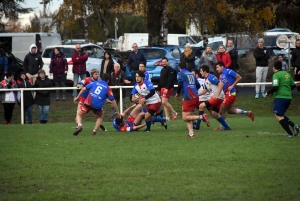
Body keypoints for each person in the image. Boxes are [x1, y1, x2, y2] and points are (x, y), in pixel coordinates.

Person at [215, 62, 254, 130]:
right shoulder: (220, 76)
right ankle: (247, 112)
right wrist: (217, 94)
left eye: (217, 67)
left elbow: (239, 77)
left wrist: (232, 85)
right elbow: (221, 85)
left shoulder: (228, 71)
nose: (216, 69)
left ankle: (223, 126)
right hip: (226, 94)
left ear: (222, 67)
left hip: (231, 93)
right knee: (230, 111)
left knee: (221, 109)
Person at [265, 61, 299, 138]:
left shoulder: (276, 75)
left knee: (278, 115)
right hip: (288, 97)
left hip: (280, 97)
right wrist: (287, 90)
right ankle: (294, 126)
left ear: (274, 67)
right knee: (281, 114)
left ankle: (290, 133)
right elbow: (293, 85)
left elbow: (275, 87)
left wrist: (268, 93)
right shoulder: (287, 74)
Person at [175, 62, 209, 138]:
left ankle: (201, 117)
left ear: (179, 67)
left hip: (188, 97)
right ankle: (191, 134)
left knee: (185, 117)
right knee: (189, 116)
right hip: (195, 96)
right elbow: (198, 85)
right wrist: (194, 91)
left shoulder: (180, 73)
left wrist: (177, 93)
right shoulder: (191, 74)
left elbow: (180, 84)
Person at [198, 65, 231, 130]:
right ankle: (227, 127)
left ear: (205, 71)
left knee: (201, 106)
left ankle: (197, 125)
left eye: (201, 71)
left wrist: (217, 94)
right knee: (214, 113)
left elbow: (221, 84)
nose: (200, 72)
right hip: (217, 97)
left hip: (217, 97)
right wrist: (197, 95)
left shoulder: (211, 77)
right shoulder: (206, 79)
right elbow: (205, 90)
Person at [157, 57, 178, 121]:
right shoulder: (162, 70)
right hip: (162, 88)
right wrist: (158, 89)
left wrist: (167, 88)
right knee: (164, 102)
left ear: (167, 62)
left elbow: (171, 80)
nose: (164, 63)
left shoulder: (171, 69)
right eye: (163, 62)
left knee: (164, 101)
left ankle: (174, 112)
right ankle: (167, 117)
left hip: (168, 88)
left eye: (165, 62)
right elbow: (160, 80)